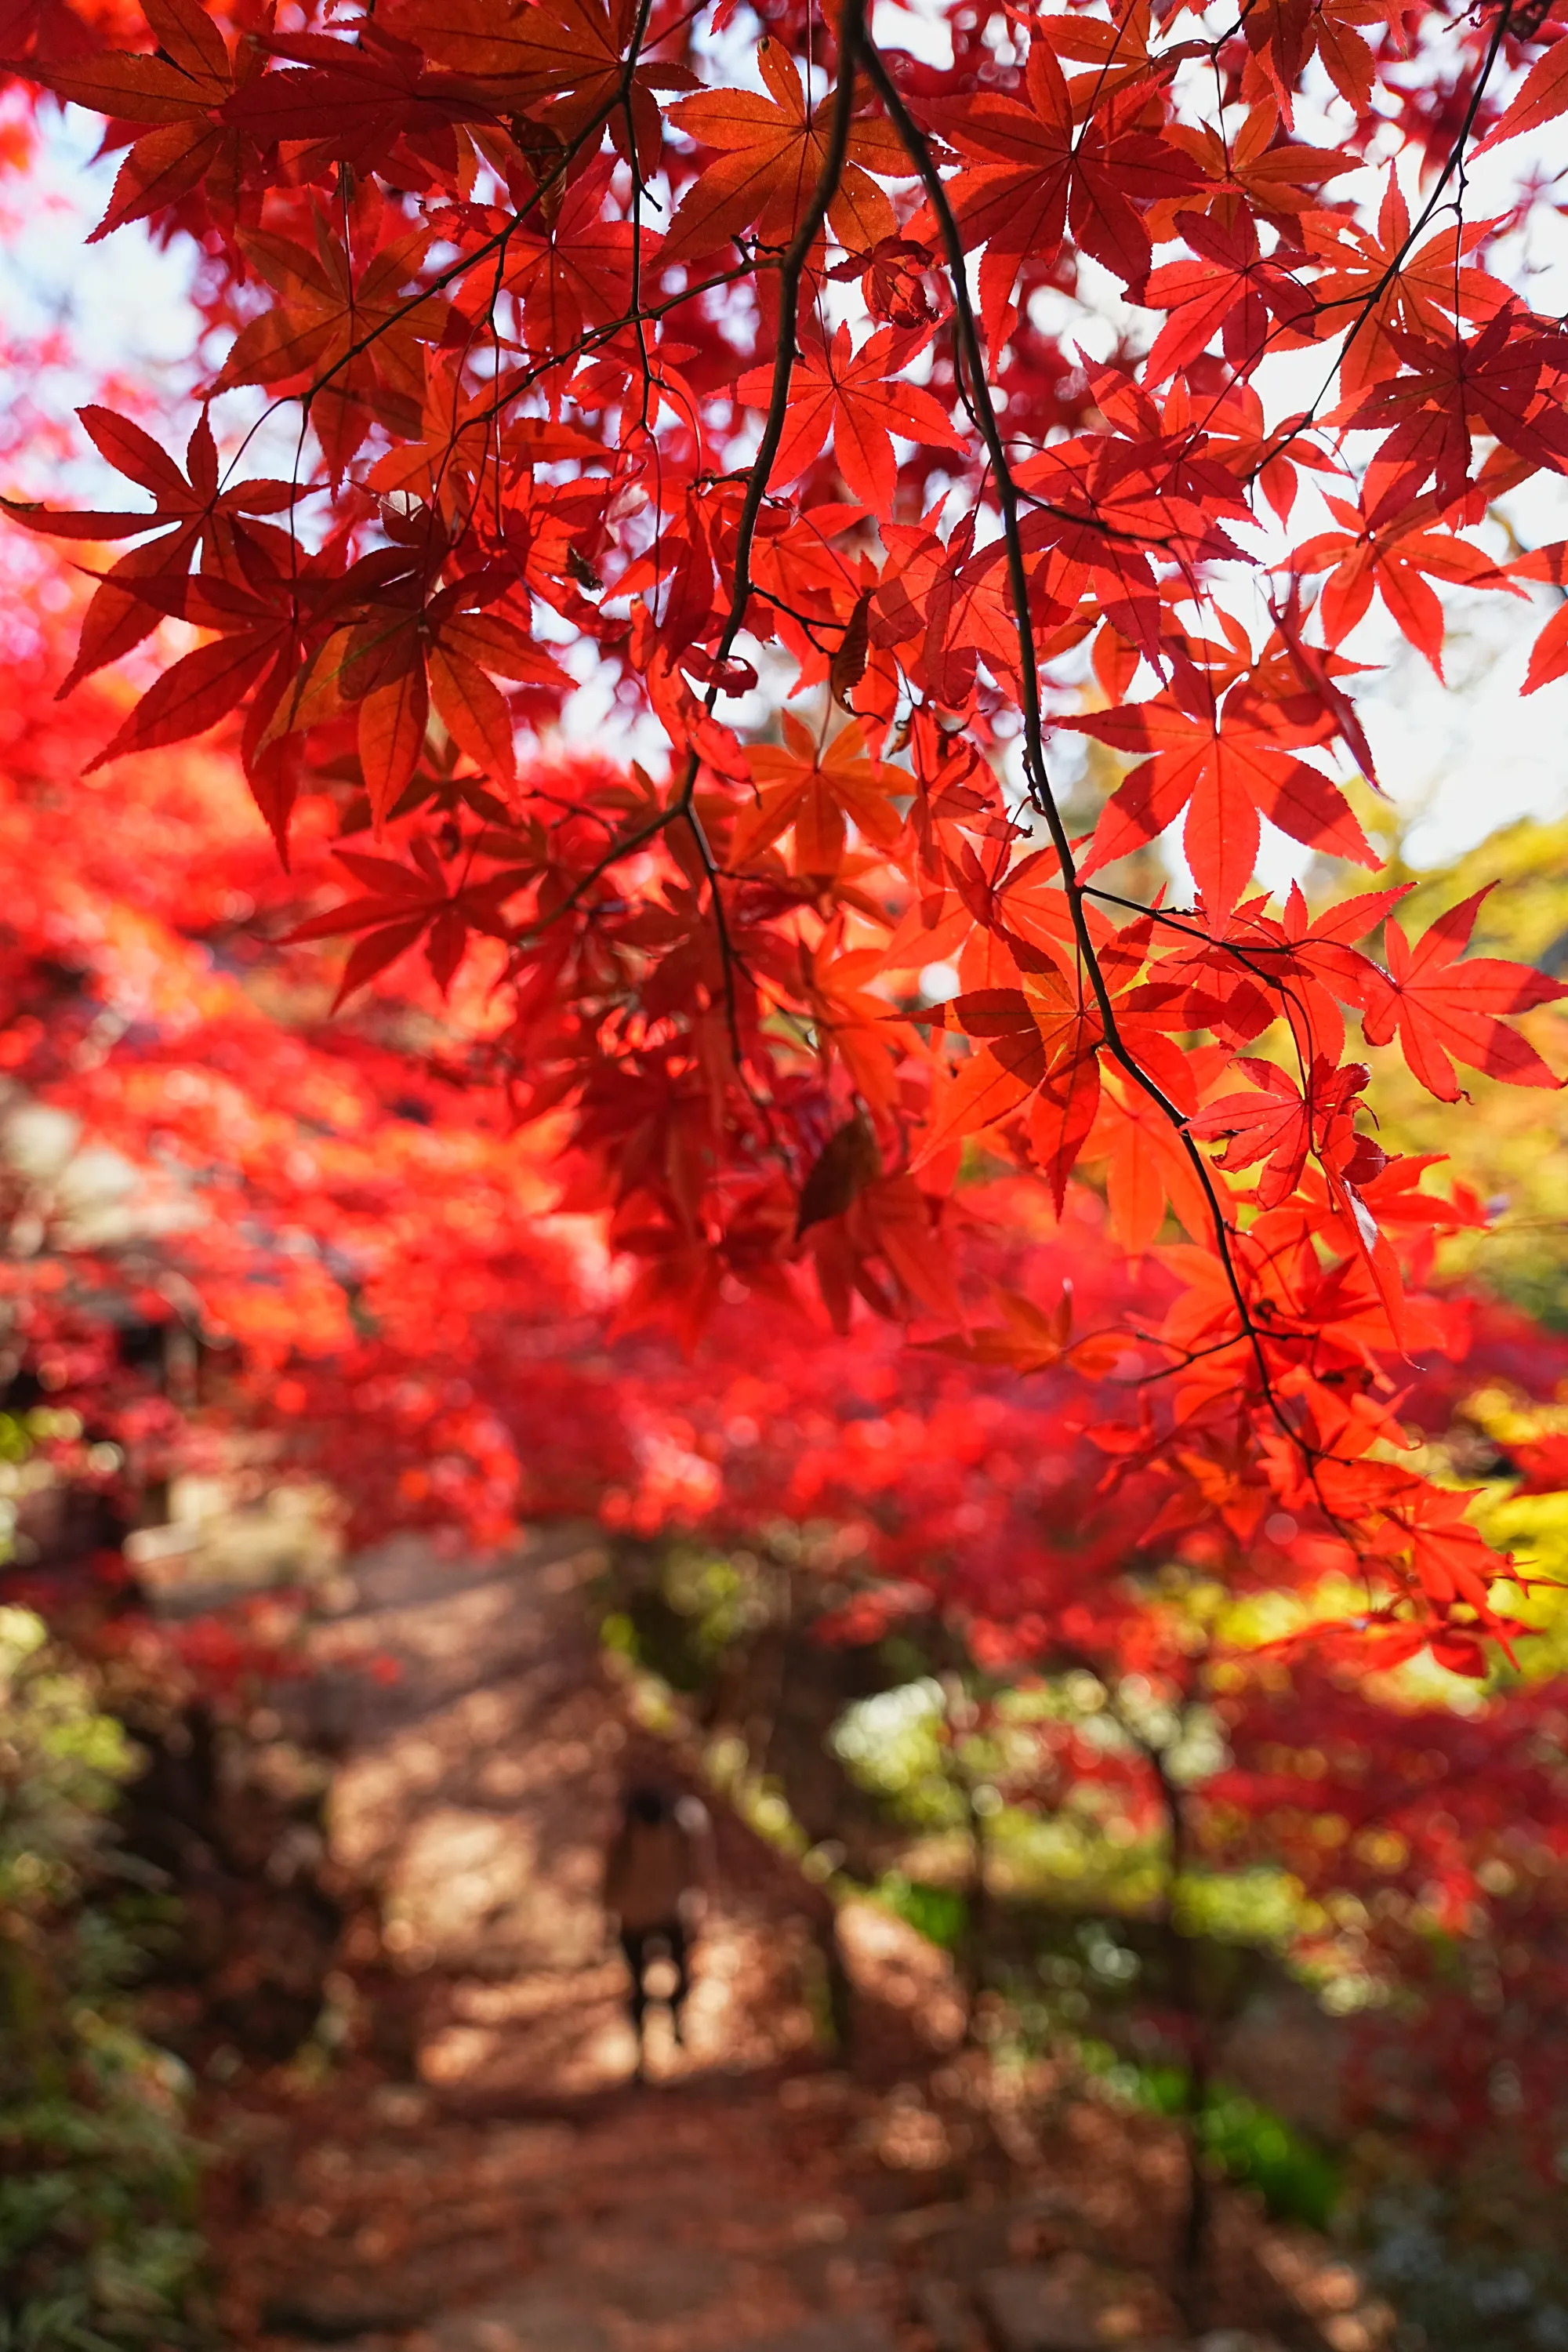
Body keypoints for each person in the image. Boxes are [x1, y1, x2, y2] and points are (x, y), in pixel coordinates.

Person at [602, 1780, 713, 2079]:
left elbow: (696, 1869)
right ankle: (642, 2054)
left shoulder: (682, 1826)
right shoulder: (625, 1832)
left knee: (677, 1979)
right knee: (640, 1986)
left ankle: (671, 2022)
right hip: (640, 1916)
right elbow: (611, 1876)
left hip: (666, 1914)